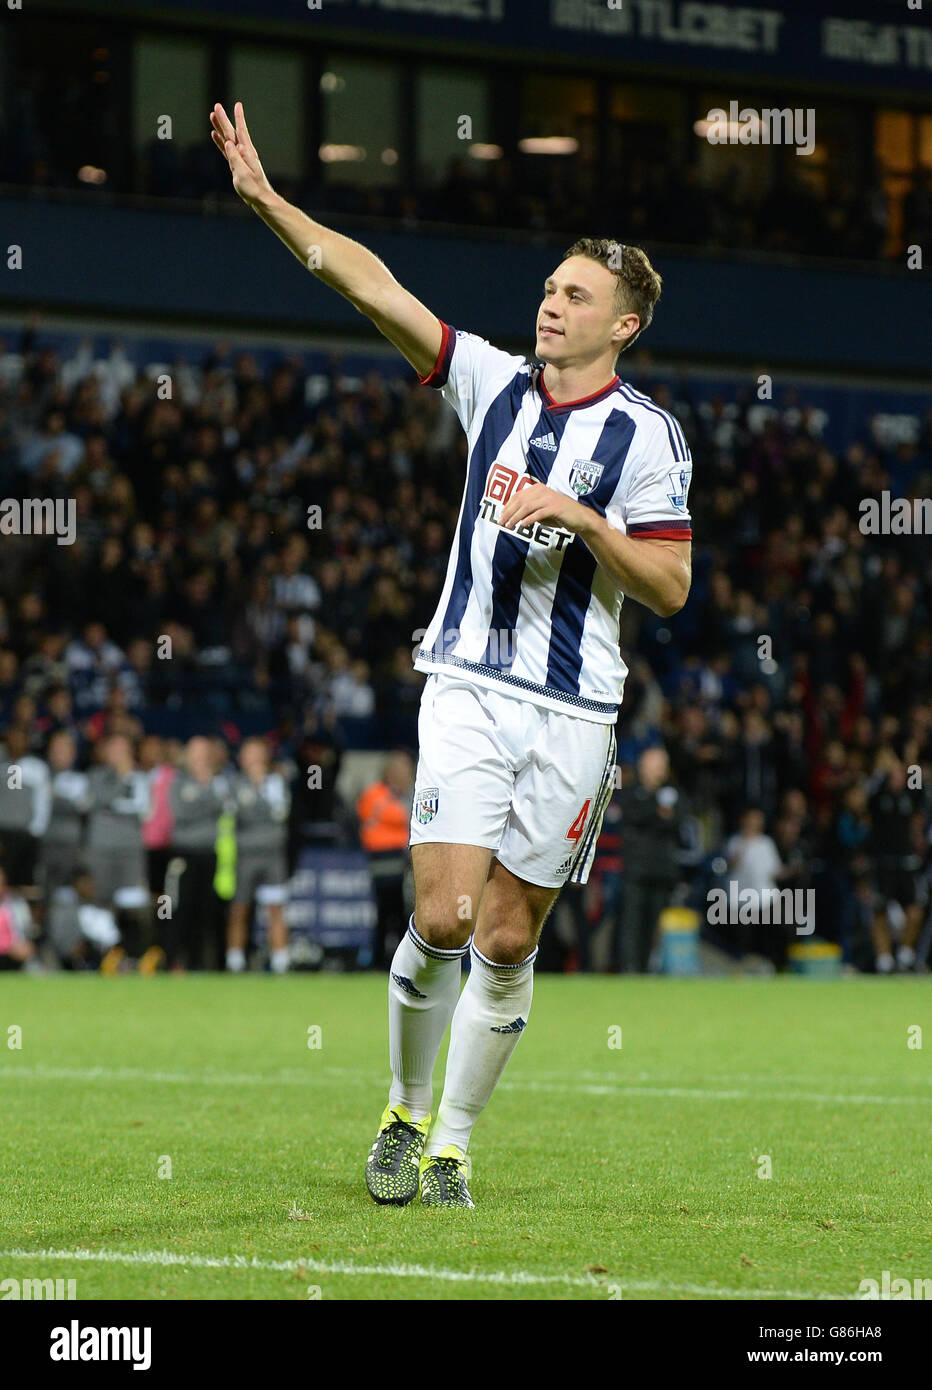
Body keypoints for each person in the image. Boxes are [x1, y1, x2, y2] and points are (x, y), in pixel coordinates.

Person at [212, 101, 692, 1207]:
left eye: (575, 295)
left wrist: (574, 516)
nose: (550, 302)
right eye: (549, 287)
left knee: (512, 936)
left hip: (576, 711)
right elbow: (367, 281)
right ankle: (397, 1106)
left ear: (622, 326)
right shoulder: (488, 382)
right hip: (470, 685)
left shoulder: (646, 439)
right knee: (442, 915)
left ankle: (452, 1145)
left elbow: (666, 587)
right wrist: (267, 200)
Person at [616, 747, 685, 973]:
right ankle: (629, 969)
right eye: (654, 764)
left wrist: (653, 814)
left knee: (654, 926)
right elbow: (629, 815)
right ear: (643, 765)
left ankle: (647, 970)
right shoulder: (631, 789)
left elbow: (679, 820)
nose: (658, 769)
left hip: (663, 870)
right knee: (631, 924)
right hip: (636, 869)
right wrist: (658, 811)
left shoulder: (674, 791)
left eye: (661, 764)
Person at [226, 737, 291, 974]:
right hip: (244, 856)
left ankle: (281, 962)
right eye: (247, 754)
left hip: (272, 856)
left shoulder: (276, 783)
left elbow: (281, 813)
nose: (252, 760)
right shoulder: (233, 784)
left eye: (256, 754)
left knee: (275, 908)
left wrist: (261, 789)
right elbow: (236, 815)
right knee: (239, 909)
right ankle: (234, 962)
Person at [167, 736, 229, 971]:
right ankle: (172, 960)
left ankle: (198, 963)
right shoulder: (178, 780)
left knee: (205, 911)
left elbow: (226, 808)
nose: (199, 758)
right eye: (195, 753)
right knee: (177, 907)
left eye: (203, 753)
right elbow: (181, 812)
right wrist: (207, 800)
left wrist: (200, 799)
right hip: (183, 854)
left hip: (211, 854)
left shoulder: (221, 782)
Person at [356, 751, 414, 969]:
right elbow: (398, 817)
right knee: (387, 912)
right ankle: (380, 961)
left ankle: (402, 962)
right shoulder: (376, 794)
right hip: (384, 862)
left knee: (402, 914)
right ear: (389, 773)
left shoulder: (408, 794)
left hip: (405, 863)